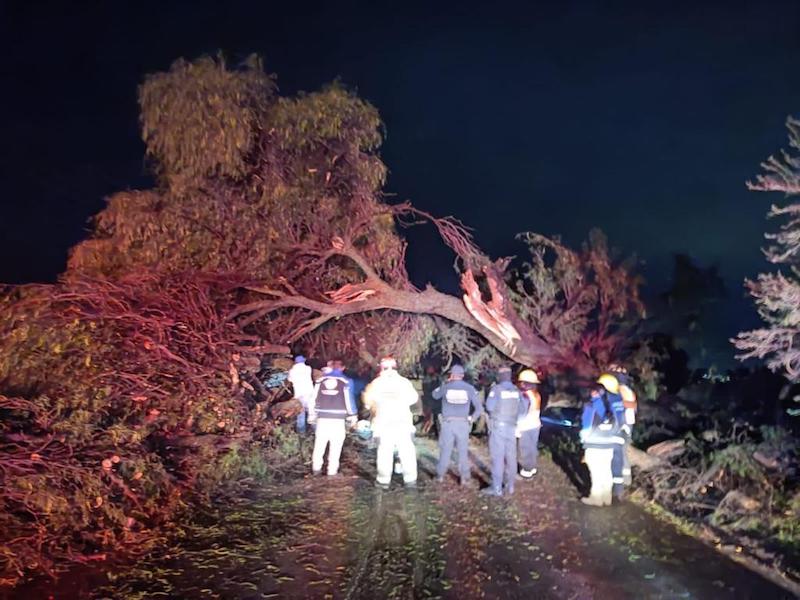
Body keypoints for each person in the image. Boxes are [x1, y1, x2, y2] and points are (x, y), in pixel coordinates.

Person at [363, 356, 419, 490]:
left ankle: (383, 481)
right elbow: (413, 399)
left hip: (384, 424)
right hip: (403, 423)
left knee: (384, 452)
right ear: (395, 367)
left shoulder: (376, 383)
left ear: (381, 368)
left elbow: (367, 402)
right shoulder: (404, 382)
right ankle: (410, 481)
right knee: (407, 452)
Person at [432, 364, 482, 485]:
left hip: (448, 423)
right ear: (462, 376)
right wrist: (472, 419)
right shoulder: (470, 388)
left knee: (445, 450)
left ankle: (440, 475)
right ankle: (465, 478)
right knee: (463, 451)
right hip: (463, 424)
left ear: (451, 375)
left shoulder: (446, 387)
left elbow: (434, 394)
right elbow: (479, 408)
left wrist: (444, 383)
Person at [579, 377, 624, 506]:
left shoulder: (591, 405)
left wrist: (583, 440)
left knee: (596, 471)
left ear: (597, 391)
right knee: (606, 470)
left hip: (594, 444)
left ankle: (596, 498)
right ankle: (606, 497)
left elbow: (586, 426)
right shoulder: (614, 404)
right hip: (609, 443)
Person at [308, 360, 357, 476]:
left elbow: (313, 399)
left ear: (330, 367)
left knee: (319, 445)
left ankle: (316, 470)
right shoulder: (346, 381)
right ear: (342, 368)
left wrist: (311, 416)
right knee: (336, 446)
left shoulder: (320, 381)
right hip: (338, 420)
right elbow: (349, 400)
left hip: (322, 419)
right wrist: (353, 416)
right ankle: (332, 472)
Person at [484, 366, 525, 496]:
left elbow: (489, 407)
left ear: (500, 376)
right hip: (511, 427)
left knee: (498, 457)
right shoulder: (516, 391)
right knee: (511, 457)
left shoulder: (497, 389)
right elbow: (523, 410)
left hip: (498, 427)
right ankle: (510, 486)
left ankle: (497, 489)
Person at [610, 364, 638, 487]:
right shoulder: (629, 391)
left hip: (621, 425)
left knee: (618, 452)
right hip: (627, 425)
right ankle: (625, 479)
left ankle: (621, 480)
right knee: (623, 451)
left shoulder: (620, 390)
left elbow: (619, 409)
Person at [516, 369, 542, 479]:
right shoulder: (536, 394)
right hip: (535, 425)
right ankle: (532, 467)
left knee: (525, 448)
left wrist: (517, 427)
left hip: (525, 426)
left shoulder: (524, 396)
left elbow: (521, 413)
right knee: (532, 447)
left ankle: (527, 470)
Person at [288, 355, 314, 433]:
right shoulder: (308, 368)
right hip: (309, 393)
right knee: (312, 412)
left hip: (299, 394)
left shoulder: (292, 370)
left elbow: (290, 379)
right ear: (303, 361)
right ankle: (315, 431)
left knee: (300, 413)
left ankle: (301, 432)